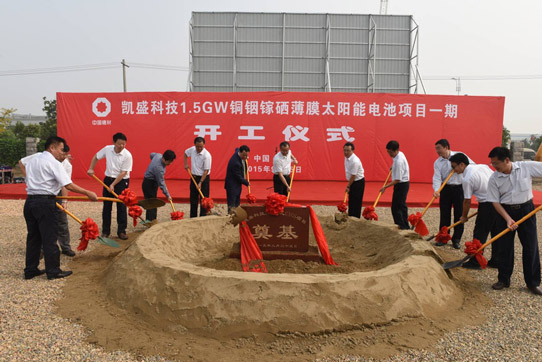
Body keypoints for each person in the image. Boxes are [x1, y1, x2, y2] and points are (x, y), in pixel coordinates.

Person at [24, 136, 98, 280]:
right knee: (50, 237)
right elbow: (68, 185)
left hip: (30, 202)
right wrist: (87, 193)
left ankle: (30, 270)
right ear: (52, 147)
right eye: (61, 149)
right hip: (45, 203)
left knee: (33, 238)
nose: (62, 153)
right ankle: (53, 271)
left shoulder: (33, 160)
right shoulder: (53, 163)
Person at [486, 146, 542, 295]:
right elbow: (494, 201)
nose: (494, 166)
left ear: (507, 160)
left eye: (496, 163)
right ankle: (503, 279)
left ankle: (533, 283)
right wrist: (508, 219)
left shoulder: (526, 167)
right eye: (492, 163)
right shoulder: (494, 178)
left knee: (530, 247)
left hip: (526, 210)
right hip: (505, 211)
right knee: (504, 247)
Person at [19, 146, 75, 257]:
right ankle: (41, 249)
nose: (64, 157)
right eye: (62, 154)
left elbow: (66, 185)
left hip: (56, 192)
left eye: (66, 155)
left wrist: (64, 201)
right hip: (41, 194)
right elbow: (21, 162)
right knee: (42, 223)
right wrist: (28, 178)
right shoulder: (39, 157)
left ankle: (65, 247)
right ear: (54, 150)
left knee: (62, 220)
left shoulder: (67, 165)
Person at [449, 152, 500, 269]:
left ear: (462, 165)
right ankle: (497, 260)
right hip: (499, 201)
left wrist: (464, 217)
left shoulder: (467, 179)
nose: (453, 170)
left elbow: (467, 201)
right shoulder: (482, 166)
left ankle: (476, 262)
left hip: (488, 203)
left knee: (480, 232)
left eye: (454, 167)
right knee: (496, 232)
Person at [87, 132, 133, 240]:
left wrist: (113, 185)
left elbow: (123, 173)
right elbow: (96, 157)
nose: (121, 146)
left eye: (123, 144)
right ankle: (105, 231)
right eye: (119, 144)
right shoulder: (107, 149)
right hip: (108, 179)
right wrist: (91, 168)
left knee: (121, 206)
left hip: (121, 182)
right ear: (114, 143)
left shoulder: (127, 155)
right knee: (107, 206)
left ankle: (121, 231)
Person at [432, 139, 474, 249]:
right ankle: (443, 237)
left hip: (459, 188)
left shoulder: (459, 156)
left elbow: (471, 166)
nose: (437, 151)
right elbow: (437, 177)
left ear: (446, 147)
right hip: (445, 188)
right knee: (444, 214)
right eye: (436, 149)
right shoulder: (437, 162)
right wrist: (437, 190)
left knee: (459, 214)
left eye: (439, 148)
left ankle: (456, 240)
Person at [380, 140, 410, 230]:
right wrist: (393, 167)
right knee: (402, 205)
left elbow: (397, 180)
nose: (389, 154)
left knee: (396, 207)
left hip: (401, 185)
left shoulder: (399, 161)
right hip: (403, 183)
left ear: (394, 150)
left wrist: (385, 187)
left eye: (389, 152)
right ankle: (406, 226)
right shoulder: (399, 154)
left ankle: (401, 227)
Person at [142, 150, 176, 222]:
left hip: (148, 181)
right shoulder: (159, 168)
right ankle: (151, 222)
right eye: (169, 161)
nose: (170, 163)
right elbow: (161, 183)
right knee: (152, 203)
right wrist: (167, 195)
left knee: (150, 202)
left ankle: (149, 220)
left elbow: (151, 154)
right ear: (164, 159)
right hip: (149, 184)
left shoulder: (158, 155)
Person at [184, 137, 212, 218]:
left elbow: (206, 171)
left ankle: (203, 217)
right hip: (193, 177)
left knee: (204, 200)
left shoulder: (207, 155)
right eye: (197, 146)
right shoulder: (192, 150)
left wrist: (200, 182)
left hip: (204, 178)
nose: (199, 148)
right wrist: (185, 164)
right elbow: (185, 153)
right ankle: (193, 217)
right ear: (195, 145)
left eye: (201, 146)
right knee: (193, 198)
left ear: (204, 145)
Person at [343, 142, 365, 218]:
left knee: (356, 201)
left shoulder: (355, 161)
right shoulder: (346, 158)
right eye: (344, 150)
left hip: (358, 182)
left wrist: (348, 186)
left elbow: (353, 175)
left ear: (352, 151)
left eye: (348, 150)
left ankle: (356, 219)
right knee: (351, 200)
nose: (346, 152)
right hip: (352, 181)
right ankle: (350, 216)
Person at [224, 145, 250, 211]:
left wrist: (245, 157)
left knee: (237, 201)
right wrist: (246, 183)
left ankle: (237, 215)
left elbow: (236, 148)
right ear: (240, 153)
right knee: (232, 203)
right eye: (244, 155)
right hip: (232, 185)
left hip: (237, 184)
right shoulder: (235, 163)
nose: (246, 157)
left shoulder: (238, 152)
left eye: (246, 155)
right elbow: (238, 176)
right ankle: (231, 217)